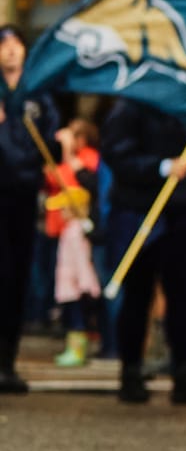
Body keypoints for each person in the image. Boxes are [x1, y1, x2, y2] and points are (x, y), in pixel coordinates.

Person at [104, 83, 186, 405]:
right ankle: (131, 373)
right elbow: (117, 153)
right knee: (138, 295)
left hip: (178, 210)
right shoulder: (132, 103)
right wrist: (162, 167)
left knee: (182, 295)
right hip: (138, 212)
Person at [0, 24, 59, 393]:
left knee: (16, 277)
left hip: (22, 194)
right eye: (3, 45)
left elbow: (46, 144)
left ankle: (7, 359)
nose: (10, 51)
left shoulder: (38, 93)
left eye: (16, 44)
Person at [48, 121, 101, 368]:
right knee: (67, 283)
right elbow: (52, 178)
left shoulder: (89, 159)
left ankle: (79, 345)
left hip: (79, 230)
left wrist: (68, 150)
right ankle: (74, 342)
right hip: (65, 229)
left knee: (78, 284)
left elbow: (70, 179)